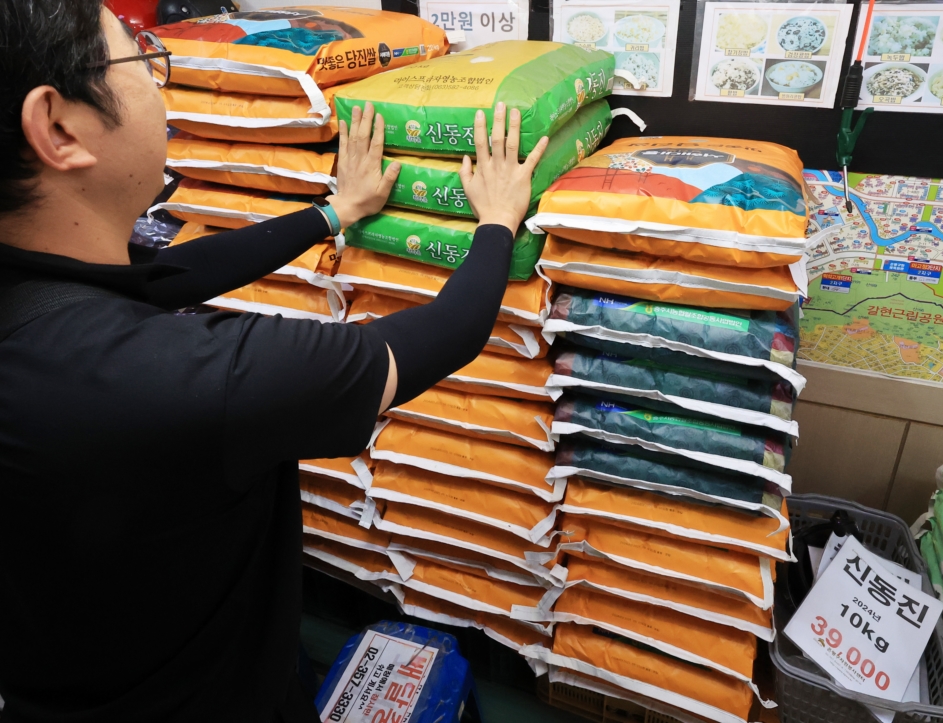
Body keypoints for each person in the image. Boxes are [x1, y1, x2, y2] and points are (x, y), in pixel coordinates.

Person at [0, 3, 549, 722]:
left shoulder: (40, 296)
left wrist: (334, 212)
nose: (161, 81)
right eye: (140, 56)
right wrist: (498, 221)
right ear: (59, 128)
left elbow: (176, 273)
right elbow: (446, 332)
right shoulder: (185, 380)